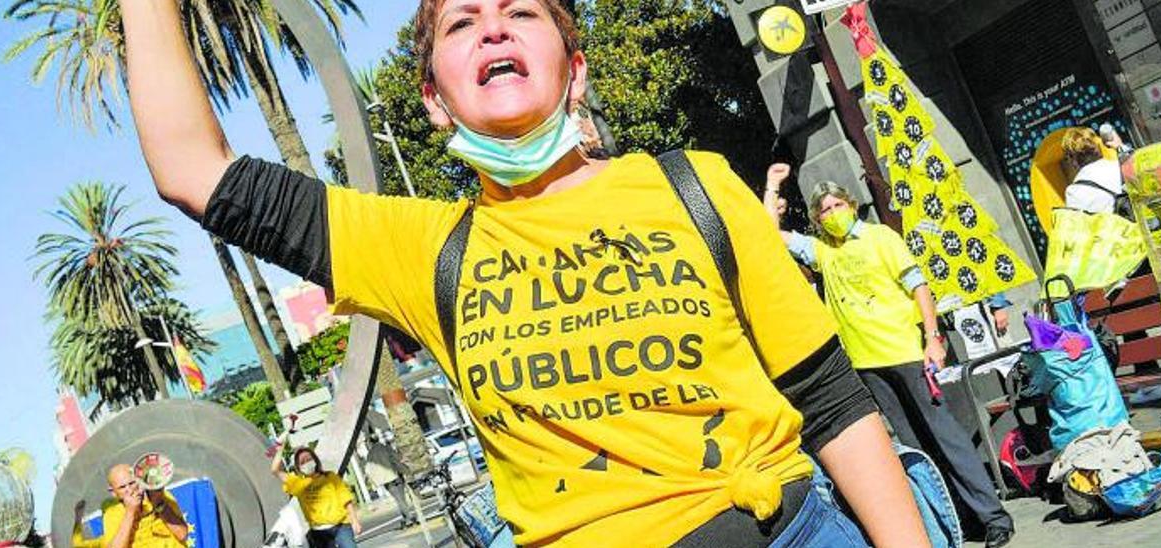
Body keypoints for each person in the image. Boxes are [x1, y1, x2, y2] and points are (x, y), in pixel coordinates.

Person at [118, 0, 925, 545]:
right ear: (434, 101)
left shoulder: (696, 184)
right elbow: (193, 168)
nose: (494, 30)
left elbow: (831, 401)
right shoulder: (418, 247)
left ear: (576, 71)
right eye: (463, 22)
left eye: (522, 13)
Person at [764, 170, 1015, 548]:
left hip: (906, 353)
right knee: (915, 448)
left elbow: (919, 287)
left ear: (851, 205)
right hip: (867, 363)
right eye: (825, 210)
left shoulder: (880, 237)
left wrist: (933, 339)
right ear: (817, 219)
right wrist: (772, 186)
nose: (833, 213)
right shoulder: (823, 251)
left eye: (837, 205)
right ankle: (957, 519)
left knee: (946, 436)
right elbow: (769, 233)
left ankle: (993, 515)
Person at [272, 440, 363, 547]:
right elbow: (275, 470)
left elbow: (346, 500)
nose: (306, 462)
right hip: (319, 533)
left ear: (315, 460)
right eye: (302, 462)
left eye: (309, 459)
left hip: (341, 527)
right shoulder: (297, 484)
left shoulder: (330, 477)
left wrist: (355, 521)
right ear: (298, 466)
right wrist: (280, 448)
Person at [97, 463, 189, 548]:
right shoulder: (112, 514)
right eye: (122, 487)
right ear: (113, 492)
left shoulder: (162, 497)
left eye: (132, 483)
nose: (130, 490)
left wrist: (158, 503)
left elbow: (182, 535)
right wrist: (130, 512)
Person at [1061, 127, 1125, 215]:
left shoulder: (1073, 192)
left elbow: (1078, 222)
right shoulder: (1121, 167)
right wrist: (1121, 147)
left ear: (1072, 160)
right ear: (1098, 148)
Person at [364, 429, 419, 528]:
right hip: (396, 475)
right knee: (402, 499)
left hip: (386, 480)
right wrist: (404, 470)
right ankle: (408, 518)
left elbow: (368, 470)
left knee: (399, 500)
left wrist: (376, 481)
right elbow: (396, 459)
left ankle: (409, 518)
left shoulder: (370, 455)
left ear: (370, 443)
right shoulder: (386, 448)